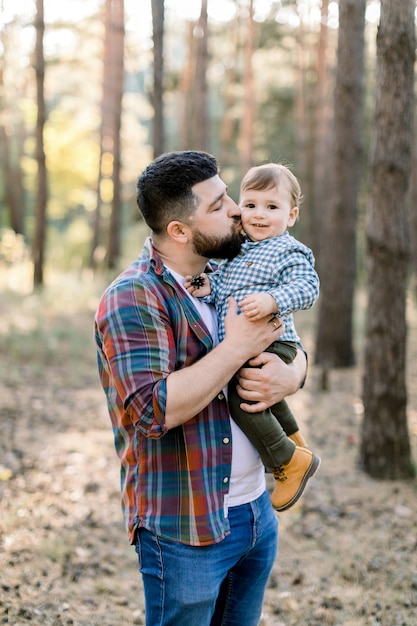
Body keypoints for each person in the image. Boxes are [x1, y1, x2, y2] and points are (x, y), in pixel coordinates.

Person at [94, 151, 308, 626]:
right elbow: (151, 411)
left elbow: (285, 343)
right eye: (218, 205)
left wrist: (294, 374)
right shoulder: (133, 297)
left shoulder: (225, 274)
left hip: (255, 515)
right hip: (185, 528)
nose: (237, 209)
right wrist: (235, 349)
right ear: (178, 230)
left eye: (229, 195)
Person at [185, 163, 320, 512]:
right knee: (266, 397)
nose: (260, 215)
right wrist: (208, 286)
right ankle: (293, 441)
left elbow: (308, 288)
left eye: (272, 207)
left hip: (275, 341)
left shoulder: (287, 250)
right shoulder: (237, 251)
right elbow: (227, 289)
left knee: (243, 398)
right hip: (250, 343)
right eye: (251, 205)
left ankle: (288, 462)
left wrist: (274, 300)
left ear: (291, 215)